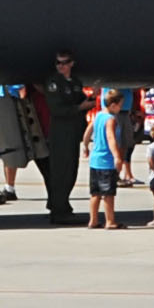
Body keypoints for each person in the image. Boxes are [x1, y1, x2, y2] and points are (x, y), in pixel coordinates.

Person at [37, 52, 89, 226]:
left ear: (72, 63)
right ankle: (59, 210)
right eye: (58, 63)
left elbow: (81, 101)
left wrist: (91, 100)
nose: (61, 66)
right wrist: (79, 107)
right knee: (61, 172)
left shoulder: (75, 82)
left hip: (72, 132)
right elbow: (57, 109)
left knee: (71, 171)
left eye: (64, 63)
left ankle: (61, 206)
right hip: (60, 133)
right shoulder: (54, 83)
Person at [86, 88, 125, 229]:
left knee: (95, 193)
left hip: (95, 160)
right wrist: (117, 157)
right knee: (108, 193)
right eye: (120, 105)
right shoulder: (110, 120)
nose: (121, 108)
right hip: (106, 161)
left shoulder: (98, 115)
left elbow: (88, 131)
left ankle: (93, 220)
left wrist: (85, 145)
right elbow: (111, 138)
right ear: (113, 105)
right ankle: (110, 221)